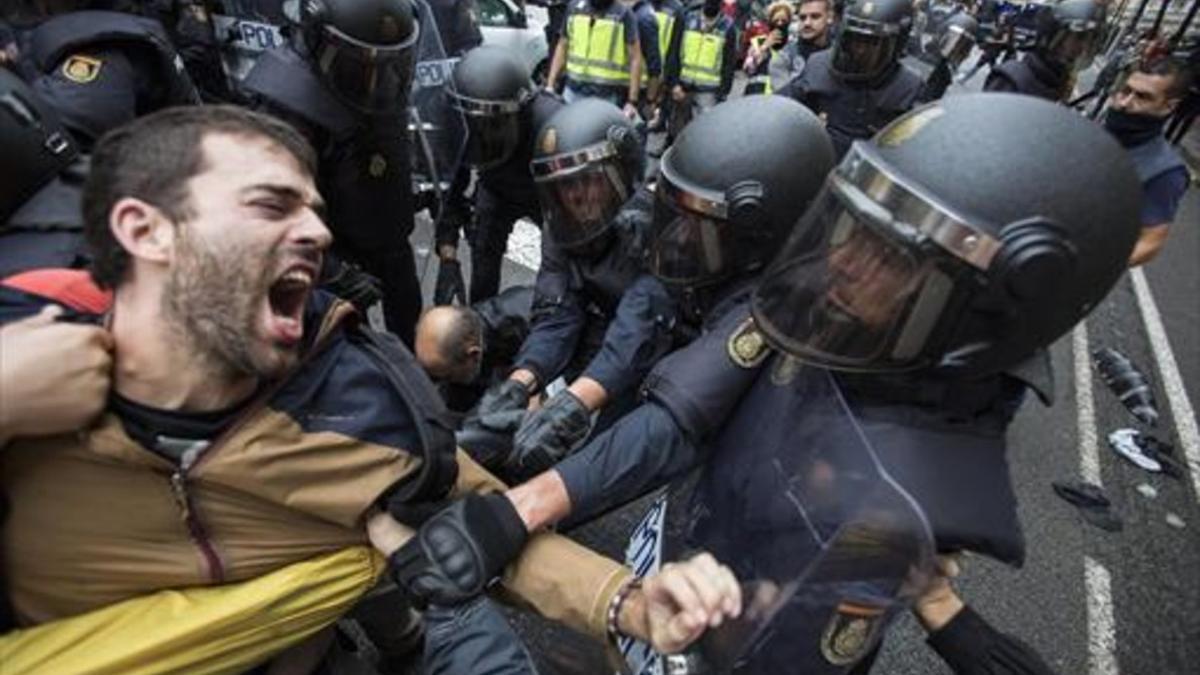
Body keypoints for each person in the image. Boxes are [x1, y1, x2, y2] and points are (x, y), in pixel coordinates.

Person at [0, 104, 741, 673]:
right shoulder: (25, 353)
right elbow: (553, 309)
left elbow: (485, 525)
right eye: (269, 204)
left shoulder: (362, 404)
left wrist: (632, 603)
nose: (316, 233)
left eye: (314, 211)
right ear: (145, 229)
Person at [457, 92, 1142, 673]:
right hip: (691, 543)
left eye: (889, 256)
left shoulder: (911, 485)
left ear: (990, 306)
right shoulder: (850, 321)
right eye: (850, 227)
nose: (838, 262)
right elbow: (687, 409)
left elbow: (780, 634)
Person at [459, 98, 680, 483]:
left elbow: (635, 332)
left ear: (620, 174)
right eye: (563, 187)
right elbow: (556, 312)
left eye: (587, 181)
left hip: (652, 345)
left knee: (597, 454)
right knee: (456, 338)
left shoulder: (655, 232)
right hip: (592, 325)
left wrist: (574, 403)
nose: (576, 196)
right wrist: (521, 380)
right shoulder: (560, 225)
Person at [240, 0, 424, 345]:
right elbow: (269, 211)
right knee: (347, 349)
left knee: (411, 336)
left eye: (386, 63)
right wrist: (331, 271)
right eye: (361, 64)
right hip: (330, 252)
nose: (375, 78)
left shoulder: (384, 79)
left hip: (387, 238)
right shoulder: (291, 107)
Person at [435, 45, 563, 305]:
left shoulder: (552, 127)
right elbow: (450, 189)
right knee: (483, 252)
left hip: (545, 195)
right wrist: (448, 255)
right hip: (496, 187)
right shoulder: (464, 124)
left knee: (557, 268)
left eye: (491, 130)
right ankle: (480, 319)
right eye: (474, 131)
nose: (480, 142)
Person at [778, 0, 923, 158]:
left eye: (871, 43)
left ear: (896, 44)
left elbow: (916, 154)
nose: (860, 50)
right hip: (813, 164)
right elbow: (780, 106)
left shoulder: (908, 89)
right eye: (854, 40)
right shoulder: (819, 66)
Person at [1102, 57, 1193, 267]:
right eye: (1126, 91)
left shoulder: (1165, 171)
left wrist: (1093, 268)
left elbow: (1150, 242)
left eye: (1142, 97)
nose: (1124, 103)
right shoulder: (1094, 128)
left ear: (1169, 106)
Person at [415, 285, 535, 413]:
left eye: (448, 376)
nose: (440, 382)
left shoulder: (531, 325)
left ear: (473, 354)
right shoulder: (467, 331)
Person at [983, 0, 1102, 101]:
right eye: (1079, 37)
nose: (1083, 46)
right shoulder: (1013, 79)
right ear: (1055, 35)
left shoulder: (1059, 83)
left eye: (1088, 40)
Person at [545, 0, 644, 117]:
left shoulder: (624, 14)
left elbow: (635, 58)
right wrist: (550, 85)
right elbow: (562, 46)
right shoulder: (574, 9)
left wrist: (632, 101)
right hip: (573, 90)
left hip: (607, 96)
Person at [662, 0, 737, 130]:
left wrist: (722, 93)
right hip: (682, 87)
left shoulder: (728, 27)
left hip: (709, 93)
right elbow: (673, 52)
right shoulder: (686, 19)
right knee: (677, 131)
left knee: (703, 132)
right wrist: (673, 84)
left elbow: (729, 64)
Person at [770, 0, 833, 89]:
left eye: (815, 17)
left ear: (829, 17)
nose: (807, 23)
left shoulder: (841, 57)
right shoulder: (784, 58)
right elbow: (784, 99)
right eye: (802, 18)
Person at [743, 0, 792, 94]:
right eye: (776, 20)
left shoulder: (793, 46)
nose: (780, 24)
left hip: (781, 99)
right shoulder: (759, 41)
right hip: (757, 96)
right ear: (770, 21)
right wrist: (764, 47)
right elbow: (747, 68)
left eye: (783, 21)